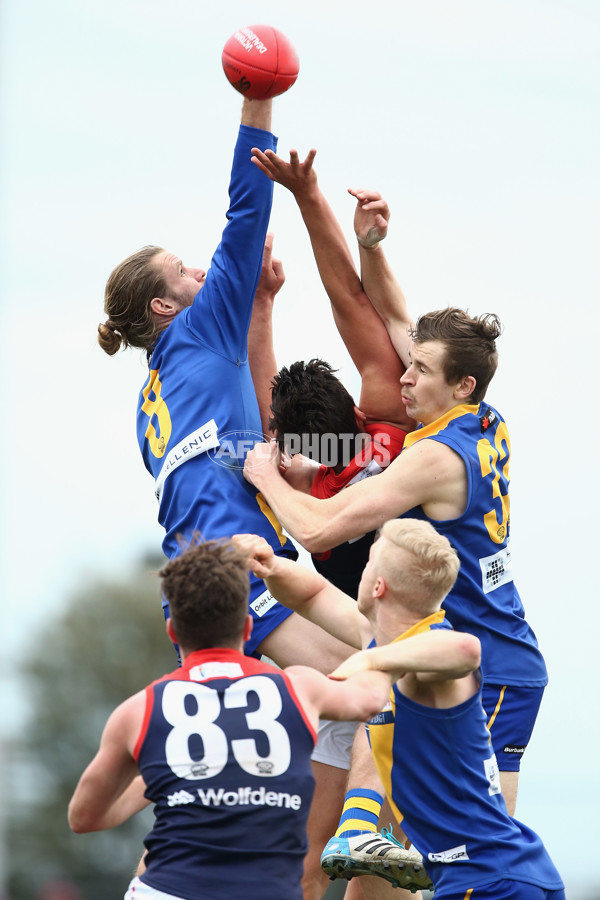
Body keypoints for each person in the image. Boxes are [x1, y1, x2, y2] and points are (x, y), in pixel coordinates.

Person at [243, 300, 548, 821]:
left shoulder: (419, 460)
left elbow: (316, 527)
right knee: (416, 834)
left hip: (478, 659)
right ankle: (361, 828)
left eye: (419, 368)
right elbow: (380, 306)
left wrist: (266, 475)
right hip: (456, 646)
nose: (404, 377)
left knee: (480, 836)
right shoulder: (461, 425)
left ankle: (361, 825)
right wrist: (371, 245)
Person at [97, 97, 354, 675]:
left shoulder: (151, 400)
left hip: (195, 583)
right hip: (237, 566)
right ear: (164, 305)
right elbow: (246, 213)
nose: (201, 273)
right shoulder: (200, 327)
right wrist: (257, 100)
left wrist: (261, 306)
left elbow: (251, 437)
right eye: (185, 271)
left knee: (304, 740)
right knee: (377, 682)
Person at [234, 520, 565, 900]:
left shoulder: (432, 647)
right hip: (494, 872)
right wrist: (270, 565)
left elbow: (466, 651)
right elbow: (311, 595)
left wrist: (371, 663)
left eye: (371, 557)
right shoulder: (377, 634)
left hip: (487, 878)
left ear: (377, 586)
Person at [248, 147, 415, 898]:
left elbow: (264, 420)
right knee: (400, 860)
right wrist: (312, 196)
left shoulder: (294, 487)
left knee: (311, 862)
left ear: (290, 448)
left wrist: (261, 309)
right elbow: (351, 296)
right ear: (352, 412)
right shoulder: (384, 422)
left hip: (381, 664)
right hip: (403, 659)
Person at [68, 538, 394, 900]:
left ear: (173, 631)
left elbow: (84, 818)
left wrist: (179, 771)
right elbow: (377, 696)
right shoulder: (301, 689)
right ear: (248, 627)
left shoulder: (138, 710)